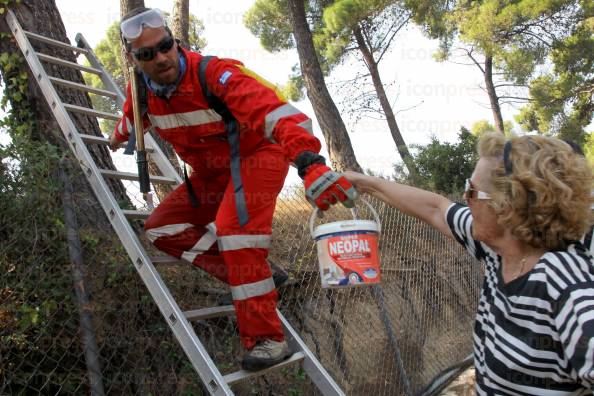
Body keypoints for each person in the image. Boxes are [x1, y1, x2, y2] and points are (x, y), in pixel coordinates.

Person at [109, 7, 356, 371]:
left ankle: (268, 340)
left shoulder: (216, 74)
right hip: (211, 174)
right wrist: (114, 139)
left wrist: (310, 163)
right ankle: (260, 275)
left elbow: (278, 114)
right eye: (148, 54)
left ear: (173, 41)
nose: (161, 58)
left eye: (165, 46)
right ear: (134, 59)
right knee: (160, 228)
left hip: (257, 156)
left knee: (235, 232)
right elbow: (130, 122)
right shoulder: (142, 93)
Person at [344, 133, 594, 394]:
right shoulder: (498, 250)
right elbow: (436, 208)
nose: (465, 197)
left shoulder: (568, 289)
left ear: (506, 206)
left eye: (472, 190)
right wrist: (363, 183)